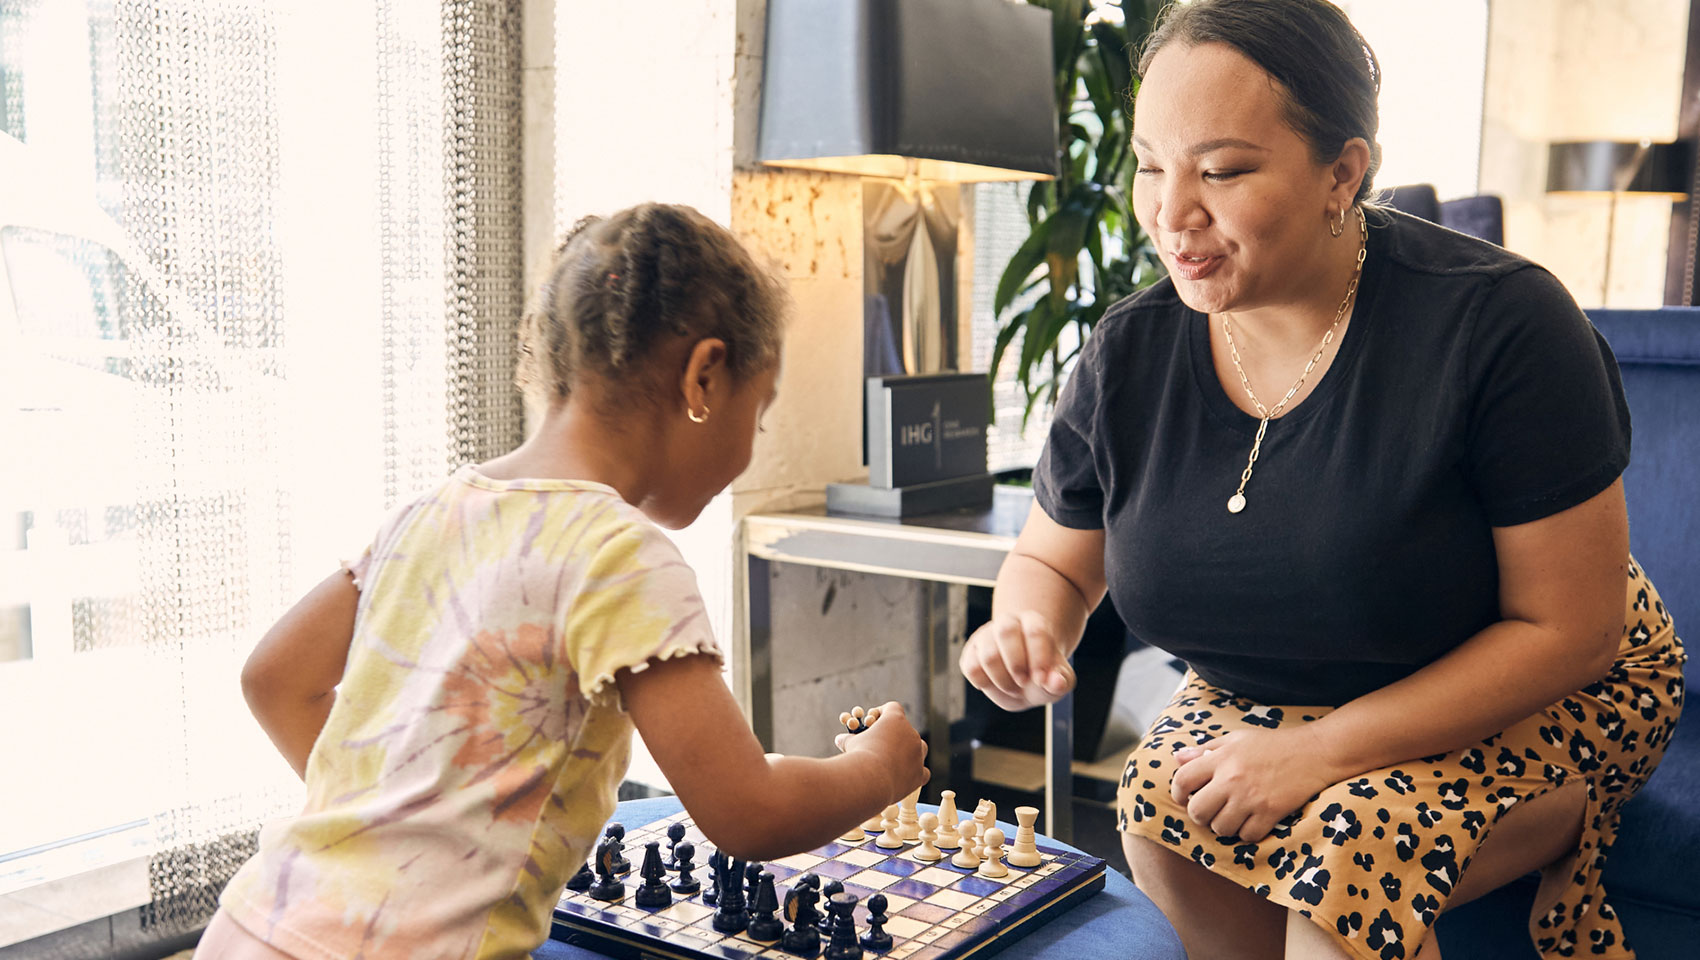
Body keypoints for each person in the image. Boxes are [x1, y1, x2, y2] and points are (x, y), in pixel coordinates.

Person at [957, 3, 1683, 959]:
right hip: (1278, 683)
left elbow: (1571, 631)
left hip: (1544, 687)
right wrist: (1028, 622)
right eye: (1149, 165)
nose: (1172, 215)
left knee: (1345, 850)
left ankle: (1535, 813)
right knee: (1158, 800)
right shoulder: (1127, 354)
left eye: (1221, 171)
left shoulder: (1502, 325)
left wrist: (1318, 755)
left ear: (1343, 171)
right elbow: (1054, 559)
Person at [195, 203, 929, 960]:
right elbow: (749, 810)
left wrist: (404, 813)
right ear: (704, 375)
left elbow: (273, 679)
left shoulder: (432, 511)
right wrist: (879, 769)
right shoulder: (620, 554)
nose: (756, 442)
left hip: (255, 925)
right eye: (762, 412)